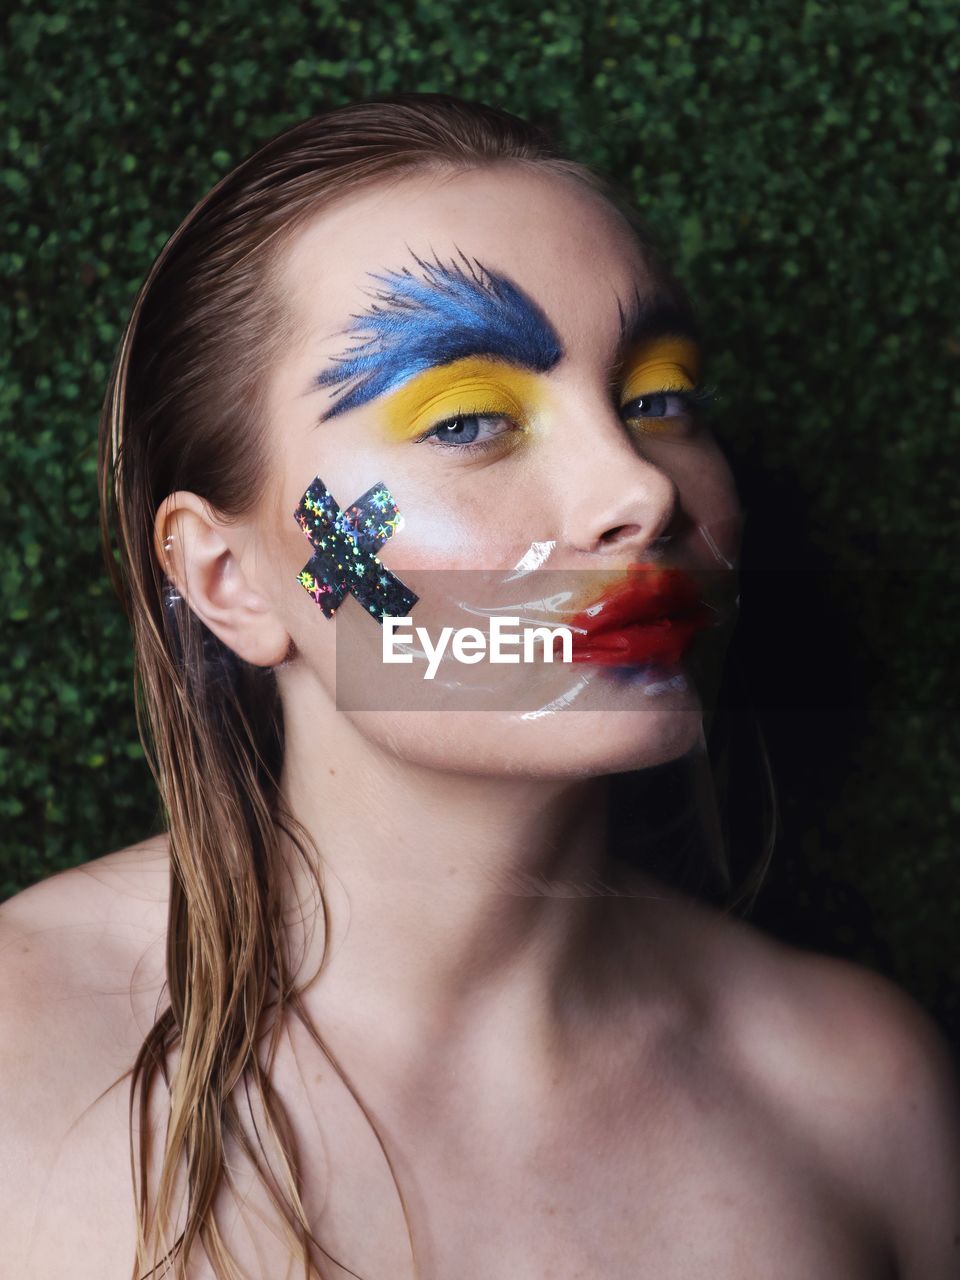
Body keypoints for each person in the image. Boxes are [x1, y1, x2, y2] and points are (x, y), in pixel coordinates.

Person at [0, 92, 957, 1280]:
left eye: (660, 399)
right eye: (467, 418)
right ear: (230, 576)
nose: (642, 490)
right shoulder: (15, 1048)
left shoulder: (861, 1099)